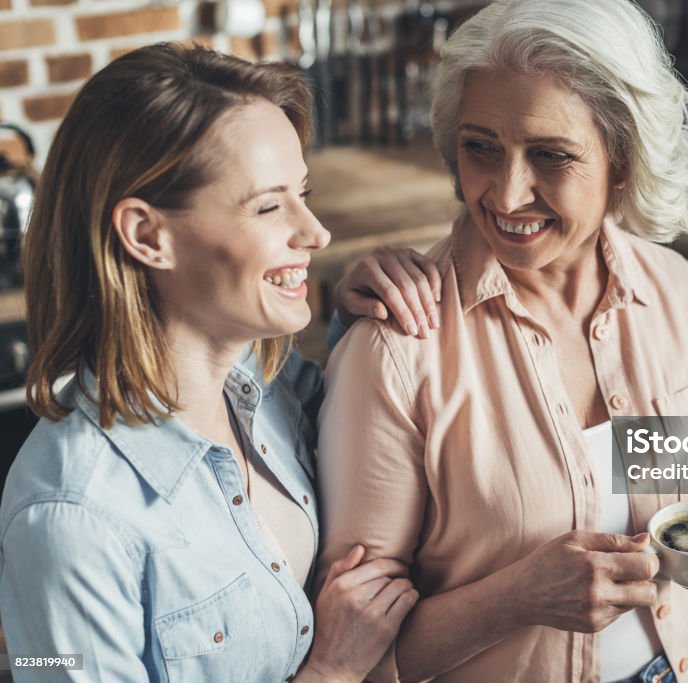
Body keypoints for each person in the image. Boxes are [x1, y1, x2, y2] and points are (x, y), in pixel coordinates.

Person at [317, 1, 688, 681]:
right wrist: (517, 598)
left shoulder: (679, 293)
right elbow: (355, 655)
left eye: (551, 155)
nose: (506, 193)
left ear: (623, 158)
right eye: (481, 148)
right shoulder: (396, 346)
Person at [0, 43, 440, 682]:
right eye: (268, 206)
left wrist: (360, 324)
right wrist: (332, 671)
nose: (316, 232)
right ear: (148, 235)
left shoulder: (274, 389)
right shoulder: (69, 517)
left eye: (302, 193)